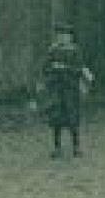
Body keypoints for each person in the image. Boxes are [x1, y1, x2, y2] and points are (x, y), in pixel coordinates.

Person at [38, 24, 93, 158]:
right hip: (56, 90)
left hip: (70, 90)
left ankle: (76, 147)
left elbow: (79, 68)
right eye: (59, 36)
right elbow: (45, 68)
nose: (62, 38)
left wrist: (64, 68)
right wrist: (50, 74)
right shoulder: (52, 51)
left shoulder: (75, 51)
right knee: (56, 118)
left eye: (65, 36)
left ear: (70, 38)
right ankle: (57, 148)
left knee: (73, 118)